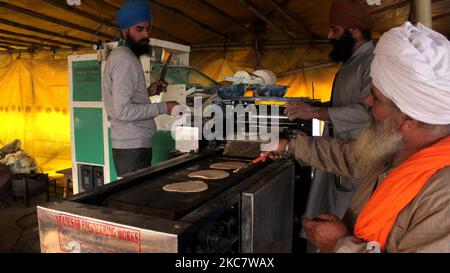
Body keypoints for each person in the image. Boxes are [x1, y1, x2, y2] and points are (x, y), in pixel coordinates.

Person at [264, 21, 450, 252]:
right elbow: (351, 157)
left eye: (375, 97)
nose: (366, 102)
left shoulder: (443, 197)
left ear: (408, 119)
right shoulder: (399, 147)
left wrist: (339, 244)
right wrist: (288, 145)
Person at [286, 0, 375, 241]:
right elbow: (344, 104)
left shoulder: (372, 62)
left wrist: (315, 114)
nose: (329, 35)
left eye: (334, 29)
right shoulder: (352, 63)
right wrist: (315, 107)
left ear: (354, 30)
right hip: (337, 157)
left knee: (346, 225)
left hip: (356, 160)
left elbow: (368, 112)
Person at [103, 0, 178, 176]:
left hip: (132, 144)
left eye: (148, 29)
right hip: (132, 145)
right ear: (125, 30)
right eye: (139, 29)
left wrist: (149, 92)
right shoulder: (125, 59)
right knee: (133, 198)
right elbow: (122, 110)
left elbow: (125, 99)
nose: (145, 34)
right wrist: (165, 107)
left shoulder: (126, 56)